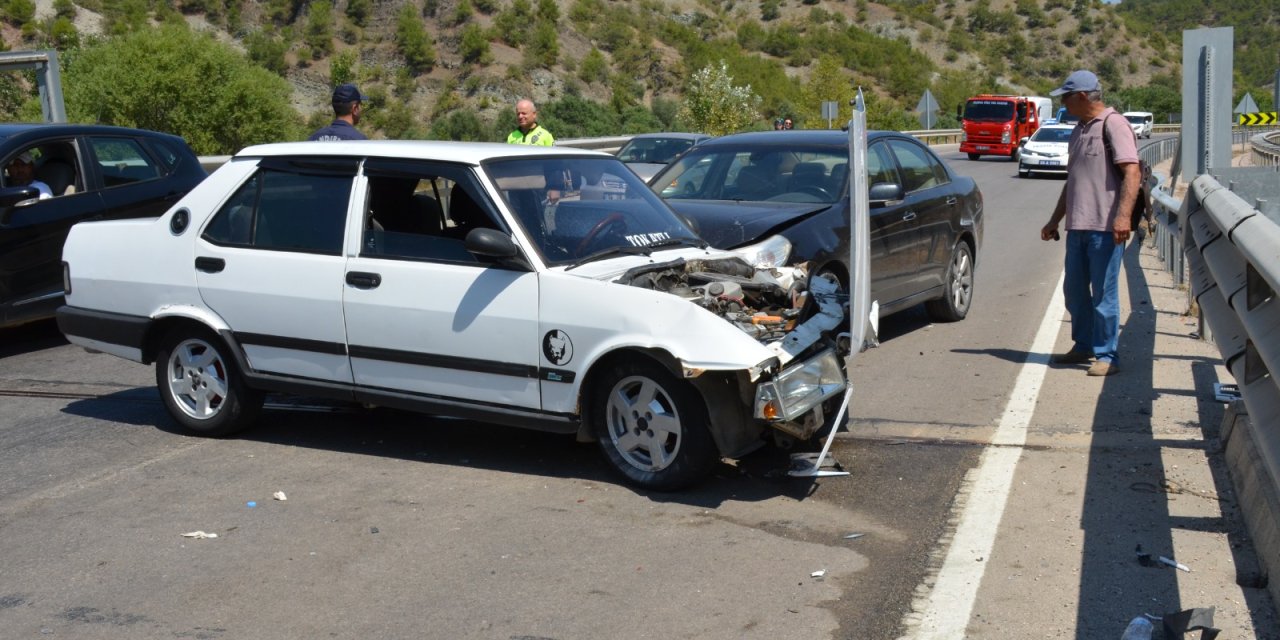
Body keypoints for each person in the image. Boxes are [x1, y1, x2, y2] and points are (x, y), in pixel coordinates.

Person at [1039, 70, 1141, 377]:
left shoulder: (1114, 124)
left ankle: (1107, 355)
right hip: (1078, 227)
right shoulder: (1079, 129)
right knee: (1075, 291)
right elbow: (1073, 182)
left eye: (1066, 97)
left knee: (1104, 294)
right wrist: (1054, 220)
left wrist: (1122, 217)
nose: (1063, 103)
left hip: (1106, 227)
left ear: (1082, 96)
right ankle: (1083, 345)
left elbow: (1132, 173)